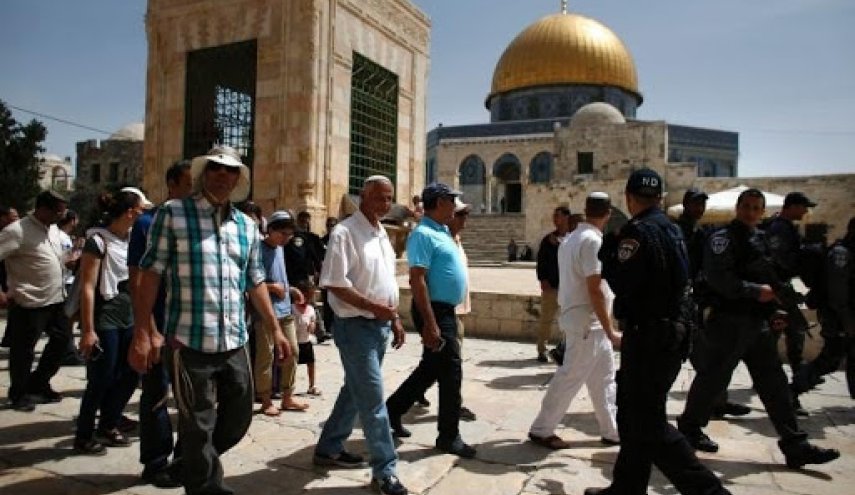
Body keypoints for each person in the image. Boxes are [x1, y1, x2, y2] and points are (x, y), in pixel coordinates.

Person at [130, 145, 290, 495]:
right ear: (204, 173)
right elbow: (150, 273)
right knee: (197, 423)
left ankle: (188, 463)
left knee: (238, 418)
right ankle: (206, 485)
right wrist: (142, 331)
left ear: (238, 179)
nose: (222, 174)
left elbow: (255, 281)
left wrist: (275, 329)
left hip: (234, 341)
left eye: (230, 170)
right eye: (216, 167)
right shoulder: (173, 214)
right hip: (188, 342)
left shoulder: (246, 226)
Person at [587, 169, 730, 495]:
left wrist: (609, 251)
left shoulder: (637, 232)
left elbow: (623, 282)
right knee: (632, 415)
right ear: (660, 198)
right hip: (669, 333)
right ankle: (626, 489)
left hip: (650, 336)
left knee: (649, 424)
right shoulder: (672, 228)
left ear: (629, 198)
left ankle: (710, 492)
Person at [677, 187, 839, 469]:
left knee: (774, 383)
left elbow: (774, 278)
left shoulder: (760, 240)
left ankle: (794, 444)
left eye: (756, 208)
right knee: (713, 378)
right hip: (729, 322)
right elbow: (718, 278)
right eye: (746, 206)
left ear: (762, 212)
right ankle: (689, 428)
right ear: (738, 208)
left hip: (757, 324)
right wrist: (755, 291)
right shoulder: (723, 239)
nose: (750, 212)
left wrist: (776, 307)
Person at [313, 175, 408, 495]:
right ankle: (385, 471)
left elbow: (384, 281)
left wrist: (393, 317)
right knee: (373, 401)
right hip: (355, 327)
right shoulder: (345, 232)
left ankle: (329, 447)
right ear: (363, 197)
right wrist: (373, 307)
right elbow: (334, 283)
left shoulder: (381, 232)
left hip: (379, 325)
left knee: (355, 391)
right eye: (379, 197)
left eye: (389, 198)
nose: (385, 203)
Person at [386, 183, 476, 459]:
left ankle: (391, 410)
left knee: (431, 369)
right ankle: (448, 436)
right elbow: (417, 280)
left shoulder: (442, 231)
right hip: (434, 312)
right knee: (451, 372)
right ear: (439, 202)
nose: (454, 206)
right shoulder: (423, 234)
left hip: (445, 310)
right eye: (451, 201)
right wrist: (430, 323)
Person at [528, 192, 620, 449]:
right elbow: (594, 289)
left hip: (586, 322)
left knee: (604, 380)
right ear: (608, 213)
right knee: (570, 376)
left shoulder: (571, 239)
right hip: (588, 323)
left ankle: (612, 430)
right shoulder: (592, 241)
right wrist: (610, 330)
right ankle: (542, 429)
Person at [128, 160, 192, 487]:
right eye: (190, 184)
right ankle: (155, 462)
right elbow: (138, 281)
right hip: (160, 326)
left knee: (192, 399)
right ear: (172, 185)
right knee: (156, 395)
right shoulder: (147, 223)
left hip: (190, 329)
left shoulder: (199, 224)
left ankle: (184, 460)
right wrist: (148, 331)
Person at [74, 189, 151, 455]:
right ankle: (84, 435)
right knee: (101, 378)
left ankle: (109, 423)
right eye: (141, 210)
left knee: (130, 373)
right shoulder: (97, 241)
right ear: (130, 212)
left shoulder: (131, 240)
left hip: (129, 315)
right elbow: (87, 287)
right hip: (106, 317)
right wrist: (88, 330)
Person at [677, 187, 750, 419]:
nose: (700, 208)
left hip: (694, 303)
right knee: (704, 359)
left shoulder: (699, 231)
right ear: (686, 204)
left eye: (702, 204)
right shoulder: (678, 231)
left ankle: (718, 401)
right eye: (695, 203)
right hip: (680, 304)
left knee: (709, 359)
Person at [0, 190, 70, 411]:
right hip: (29, 301)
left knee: (62, 342)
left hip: (56, 298)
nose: (61, 216)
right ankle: (19, 393)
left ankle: (38, 383)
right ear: (43, 209)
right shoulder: (17, 231)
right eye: (58, 212)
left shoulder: (54, 230)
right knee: (23, 351)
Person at [763, 191, 817, 416]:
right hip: (777, 293)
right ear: (792, 206)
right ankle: (790, 393)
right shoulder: (779, 229)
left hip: (783, 291)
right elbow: (779, 261)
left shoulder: (784, 227)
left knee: (791, 339)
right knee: (781, 341)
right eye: (803, 207)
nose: (805, 211)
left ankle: (792, 390)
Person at [256, 210, 307, 415]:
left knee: (292, 351)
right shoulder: (257, 249)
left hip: (285, 310)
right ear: (271, 230)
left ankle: (288, 396)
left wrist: (290, 289)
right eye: (283, 233)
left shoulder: (280, 249)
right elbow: (250, 281)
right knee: (266, 356)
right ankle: (266, 399)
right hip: (266, 312)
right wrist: (271, 287)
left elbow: (279, 276)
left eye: (289, 234)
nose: (286, 238)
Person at [799, 217, 855, 398]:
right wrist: (848, 322)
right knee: (830, 359)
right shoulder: (841, 253)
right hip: (837, 316)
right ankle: (793, 388)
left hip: (845, 315)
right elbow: (838, 293)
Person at [534, 206, 576, 362]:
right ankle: (542, 350)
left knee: (569, 321)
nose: (555, 219)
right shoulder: (548, 240)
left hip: (569, 287)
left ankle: (565, 349)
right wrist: (543, 280)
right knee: (546, 319)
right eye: (554, 216)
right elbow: (541, 262)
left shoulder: (573, 239)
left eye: (558, 215)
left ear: (566, 217)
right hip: (551, 287)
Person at [292, 279, 321, 396]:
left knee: (311, 363)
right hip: (294, 341)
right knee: (292, 365)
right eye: (306, 296)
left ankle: (312, 385)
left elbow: (313, 320)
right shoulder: (292, 308)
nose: (308, 299)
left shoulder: (310, 309)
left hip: (306, 340)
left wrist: (313, 324)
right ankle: (289, 386)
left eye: (310, 296)